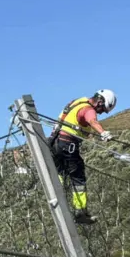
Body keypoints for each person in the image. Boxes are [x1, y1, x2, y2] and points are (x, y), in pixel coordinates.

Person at [49, 90, 117, 225]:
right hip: (68, 145)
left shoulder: (76, 102)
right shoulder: (89, 109)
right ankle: (80, 212)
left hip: (55, 143)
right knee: (78, 177)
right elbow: (92, 120)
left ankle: (55, 197)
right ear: (100, 102)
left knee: (60, 172)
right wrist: (103, 133)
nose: (101, 112)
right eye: (102, 109)